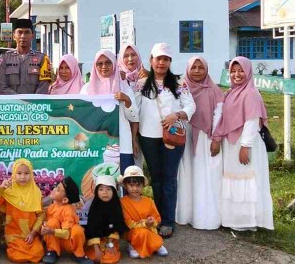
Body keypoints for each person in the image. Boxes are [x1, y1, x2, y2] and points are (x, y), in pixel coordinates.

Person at [135, 43, 196, 239]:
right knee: (156, 178)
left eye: (165, 59)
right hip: (148, 137)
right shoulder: (142, 84)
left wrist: (176, 115)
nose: (161, 63)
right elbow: (135, 110)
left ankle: (168, 221)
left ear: (170, 62)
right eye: (158, 58)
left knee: (169, 178)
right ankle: (158, 216)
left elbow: (191, 106)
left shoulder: (179, 84)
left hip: (172, 136)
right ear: (151, 60)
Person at [212, 57, 274, 231]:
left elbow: (252, 121)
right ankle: (234, 219)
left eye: (241, 71)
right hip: (231, 143)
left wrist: (245, 146)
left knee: (247, 180)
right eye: (233, 71)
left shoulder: (251, 94)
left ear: (248, 72)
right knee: (233, 178)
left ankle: (247, 221)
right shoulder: (231, 92)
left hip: (246, 144)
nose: (237, 75)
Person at [177, 56, 224, 230]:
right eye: (193, 67)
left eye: (200, 67)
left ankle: (205, 218)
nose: (197, 71)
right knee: (186, 174)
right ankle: (185, 214)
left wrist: (216, 139)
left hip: (206, 138)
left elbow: (219, 117)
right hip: (184, 136)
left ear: (206, 69)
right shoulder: (180, 87)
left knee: (205, 176)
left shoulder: (214, 90)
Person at [81, 50, 139, 171]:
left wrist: (127, 100)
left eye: (108, 62)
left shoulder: (123, 86)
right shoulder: (86, 89)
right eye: (99, 63)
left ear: (114, 64)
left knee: (122, 179)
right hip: (94, 142)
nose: (104, 67)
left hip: (121, 142)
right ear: (95, 65)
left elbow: (134, 117)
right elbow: (83, 116)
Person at [0, 158, 45, 263]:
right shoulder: (8, 191)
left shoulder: (36, 193)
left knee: (38, 252)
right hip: (13, 233)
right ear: (14, 174)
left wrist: (33, 233)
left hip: (30, 234)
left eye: (27, 173)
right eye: (19, 173)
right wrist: (1, 189)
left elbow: (41, 216)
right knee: (15, 255)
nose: (23, 177)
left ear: (31, 174)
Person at [41, 176, 93, 264]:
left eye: (57, 189)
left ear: (65, 200)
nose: (53, 189)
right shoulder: (51, 207)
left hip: (69, 242)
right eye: (56, 187)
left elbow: (66, 234)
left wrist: (51, 231)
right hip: (56, 240)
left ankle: (78, 253)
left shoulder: (68, 210)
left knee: (77, 230)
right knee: (52, 222)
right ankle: (52, 251)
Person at [119, 165, 167, 259]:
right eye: (131, 185)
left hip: (150, 228)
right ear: (125, 186)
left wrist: (152, 221)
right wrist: (145, 223)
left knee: (149, 232)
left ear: (143, 185)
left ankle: (156, 245)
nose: (135, 189)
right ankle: (133, 245)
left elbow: (156, 217)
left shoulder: (149, 201)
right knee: (141, 233)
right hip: (133, 230)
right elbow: (128, 222)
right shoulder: (122, 202)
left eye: (138, 185)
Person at [0, 18, 52, 95]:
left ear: (32, 35)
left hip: (35, 105)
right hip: (12, 105)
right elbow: (1, 87)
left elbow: (44, 87)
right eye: (20, 32)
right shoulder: (4, 58)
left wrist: (31, 104)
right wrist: (20, 102)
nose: (23, 36)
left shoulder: (42, 59)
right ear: (14, 36)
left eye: (27, 32)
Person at [85, 175, 125, 264]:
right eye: (101, 189)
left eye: (108, 189)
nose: (105, 193)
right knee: (94, 256)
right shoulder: (94, 208)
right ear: (96, 192)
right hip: (97, 241)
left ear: (114, 192)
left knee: (111, 257)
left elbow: (117, 226)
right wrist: (96, 248)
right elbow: (92, 229)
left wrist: (110, 244)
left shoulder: (116, 207)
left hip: (111, 239)